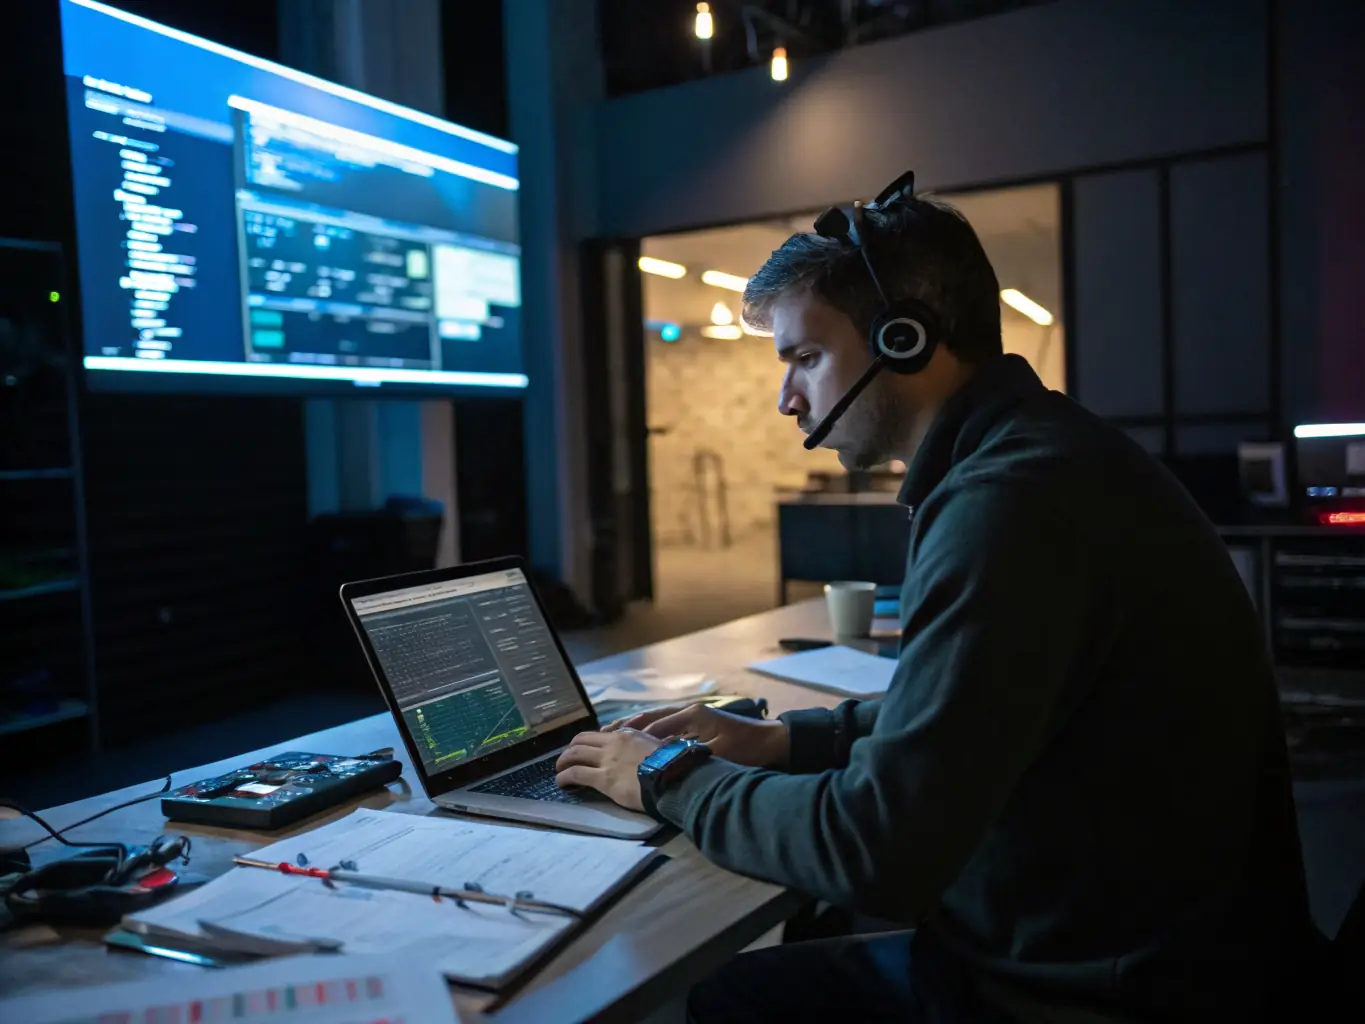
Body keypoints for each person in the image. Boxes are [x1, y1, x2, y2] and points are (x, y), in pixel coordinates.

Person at [554, 183, 1323, 1022]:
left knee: (739, 995)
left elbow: (874, 847)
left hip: (1112, 992)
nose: (787, 400)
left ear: (904, 339)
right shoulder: (1040, 456)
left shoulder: (1008, 503)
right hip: (1162, 951)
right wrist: (783, 739)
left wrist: (667, 778)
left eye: (804, 358)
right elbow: (973, 702)